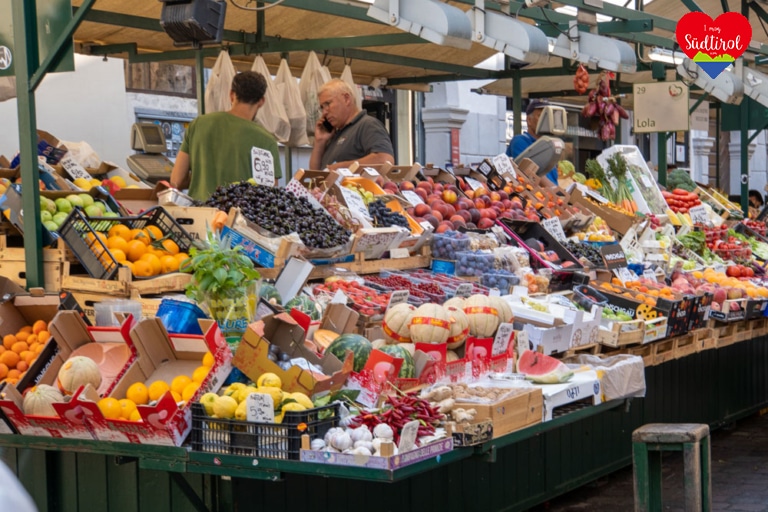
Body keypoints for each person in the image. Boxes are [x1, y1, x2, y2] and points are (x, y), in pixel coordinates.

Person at [170, 71, 282, 201]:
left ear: (231, 95)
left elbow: (176, 180)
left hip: (198, 215)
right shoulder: (266, 141)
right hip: (239, 218)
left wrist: (201, 176)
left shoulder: (198, 124)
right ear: (261, 101)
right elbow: (268, 194)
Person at [309, 79, 395, 171]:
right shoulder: (334, 134)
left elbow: (385, 160)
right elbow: (315, 174)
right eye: (322, 107)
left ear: (346, 99)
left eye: (328, 104)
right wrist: (320, 142)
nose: (324, 112)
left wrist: (340, 168)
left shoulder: (368, 125)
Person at [506, 99, 558, 185]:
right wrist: (558, 193)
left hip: (551, 196)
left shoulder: (549, 146)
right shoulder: (520, 141)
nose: (546, 120)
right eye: (541, 116)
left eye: (548, 116)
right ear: (529, 120)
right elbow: (533, 174)